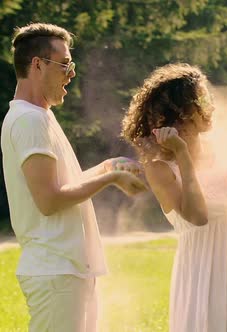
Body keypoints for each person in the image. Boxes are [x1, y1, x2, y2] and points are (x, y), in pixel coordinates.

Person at [0, 23, 147, 332]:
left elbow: (66, 185)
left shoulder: (41, 116)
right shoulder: (28, 120)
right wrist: (110, 179)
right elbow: (50, 200)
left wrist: (110, 166)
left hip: (67, 270)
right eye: (65, 64)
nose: (72, 73)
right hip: (55, 272)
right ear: (38, 65)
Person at [121, 63, 227, 332]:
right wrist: (182, 154)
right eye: (202, 99)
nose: (211, 106)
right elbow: (197, 216)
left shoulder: (224, 151)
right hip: (203, 277)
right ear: (181, 112)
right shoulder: (160, 169)